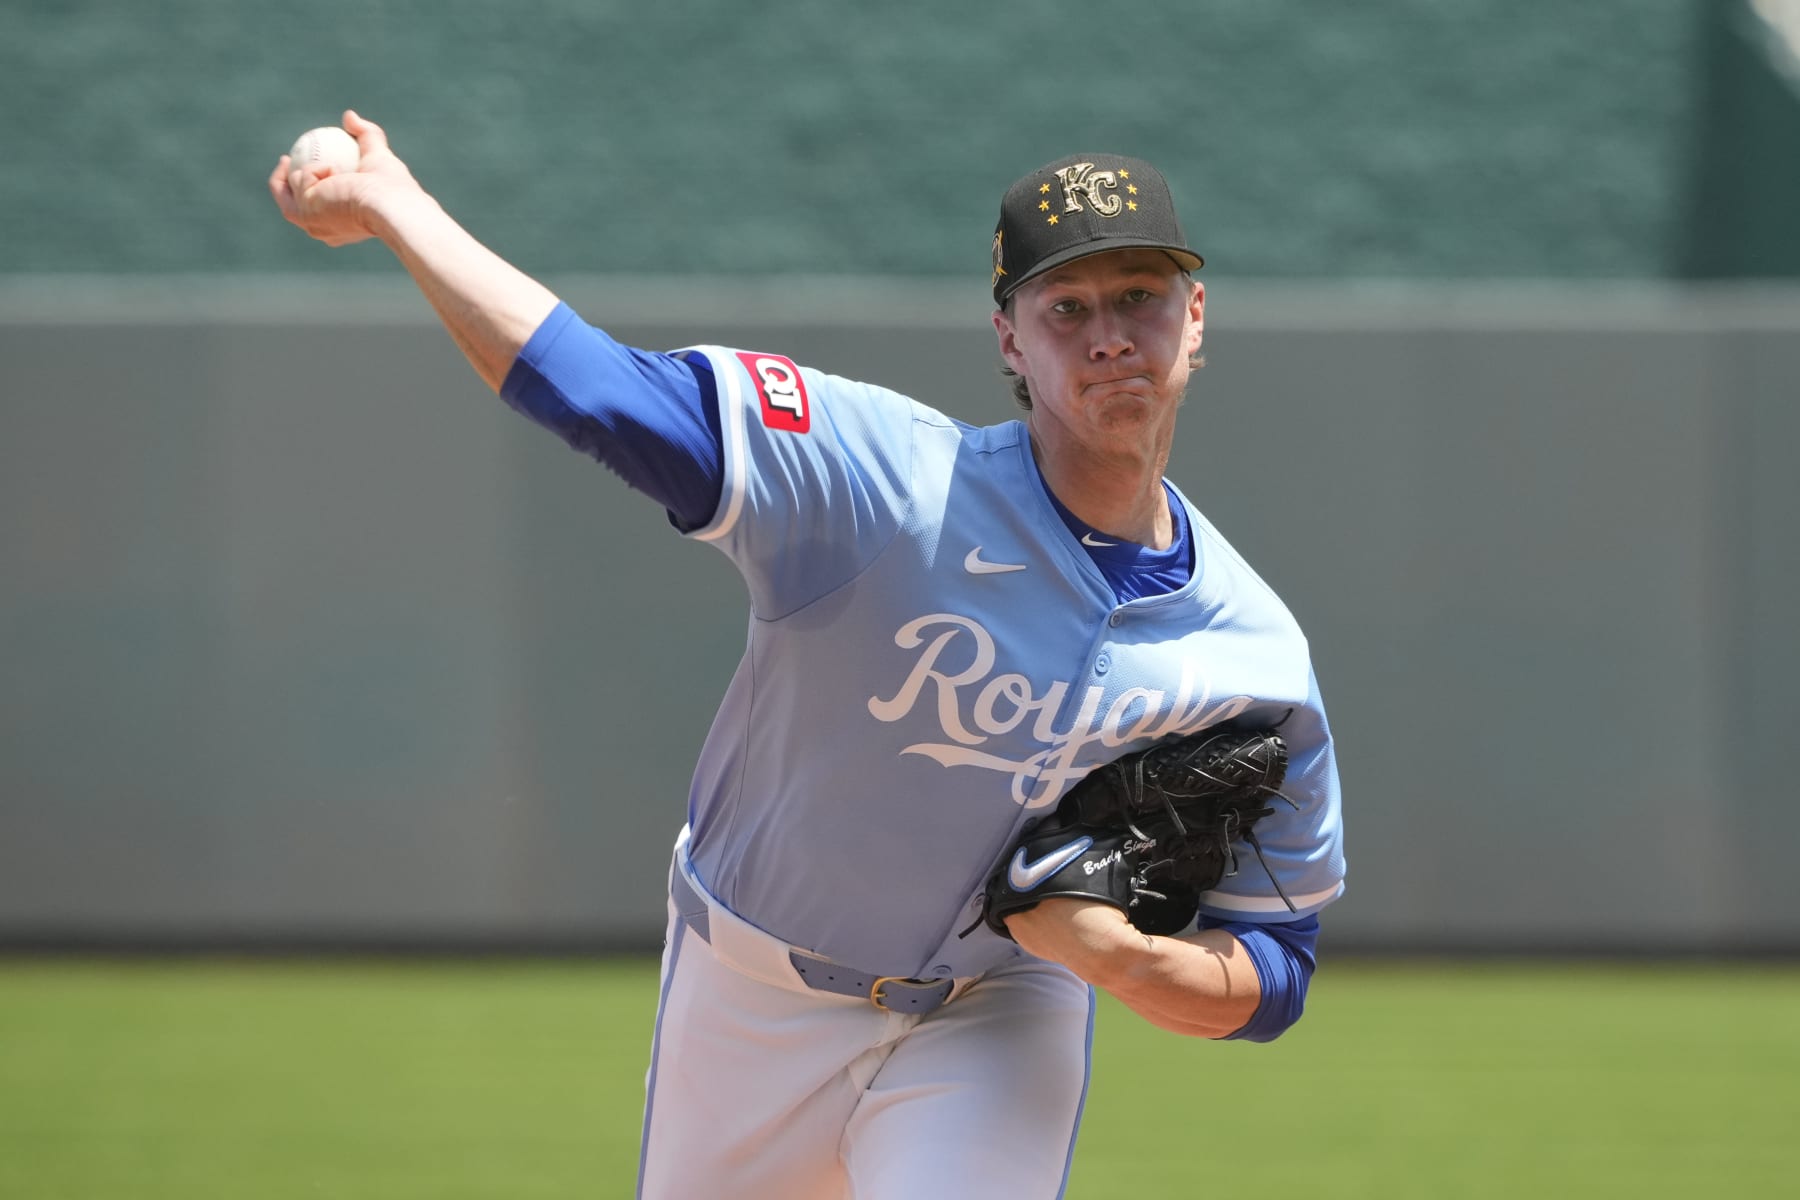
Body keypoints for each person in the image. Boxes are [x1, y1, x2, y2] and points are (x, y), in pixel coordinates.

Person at [271, 112, 1346, 1200]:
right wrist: (396, 207)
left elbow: (1275, 967)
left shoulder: (1253, 656)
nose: (1109, 333)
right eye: (1065, 308)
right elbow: (602, 391)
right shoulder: (883, 484)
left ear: (1195, 315)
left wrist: (1123, 959)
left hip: (994, 1012)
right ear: (1011, 341)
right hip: (747, 995)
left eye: (1140, 296)